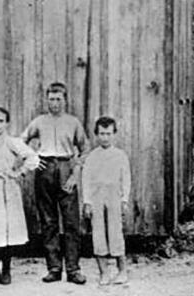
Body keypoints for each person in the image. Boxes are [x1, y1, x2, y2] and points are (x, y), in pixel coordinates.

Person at [22, 82, 89, 285]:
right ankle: (54, 268)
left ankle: (73, 269)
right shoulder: (39, 121)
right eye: (51, 99)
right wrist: (33, 158)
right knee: (48, 222)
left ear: (65, 100)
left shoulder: (73, 122)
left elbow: (85, 149)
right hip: (45, 170)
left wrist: (75, 173)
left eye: (58, 99)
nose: (55, 103)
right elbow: (20, 141)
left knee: (70, 222)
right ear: (46, 100)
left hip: (66, 167)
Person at [0, 108, 40, 285]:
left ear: (7, 123)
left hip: (7, 190)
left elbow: (32, 157)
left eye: (1, 121)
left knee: (6, 230)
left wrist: (18, 172)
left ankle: (6, 269)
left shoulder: (12, 142)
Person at [82, 116, 131, 285]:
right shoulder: (92, 157)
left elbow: (126, 178)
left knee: (116, 233)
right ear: (96, 135)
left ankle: (122, 271)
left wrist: (124, 199)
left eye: (108, 133)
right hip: (96, 197)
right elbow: (86, 180)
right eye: (102, 133)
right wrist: (87, 202)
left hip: (114, 196)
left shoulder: (120, 155)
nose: (105, 137)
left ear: (114, 134)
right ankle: (104, 273)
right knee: (98, 234)